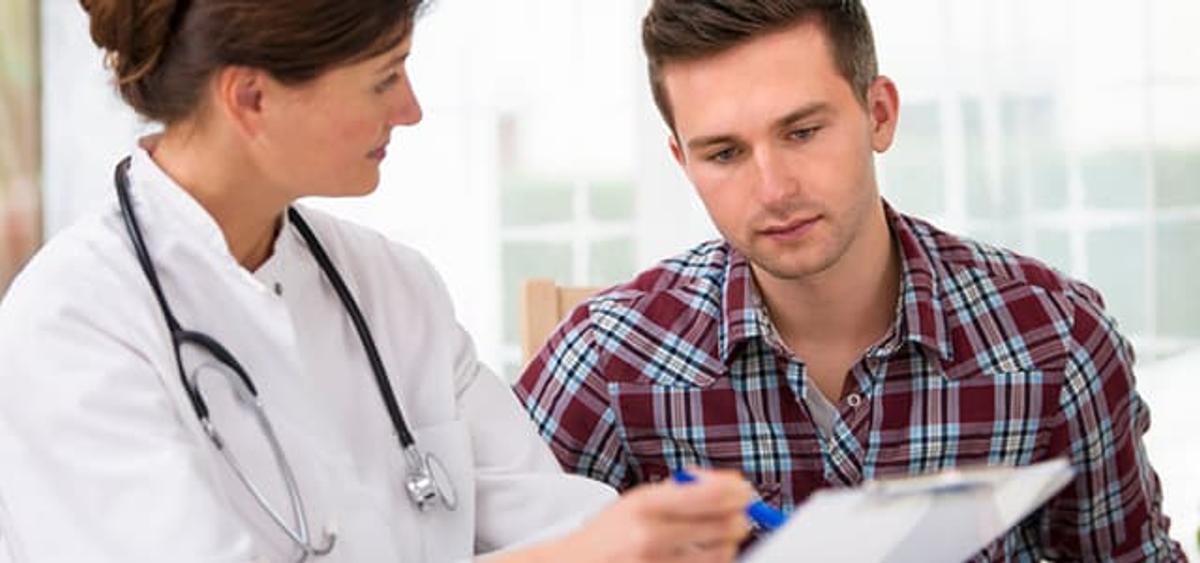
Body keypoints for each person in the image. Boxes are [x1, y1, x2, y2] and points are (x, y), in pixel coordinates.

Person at [0, 1, 756, 561]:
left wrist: (671, 536)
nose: (412, 108)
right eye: (384, 78)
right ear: (251, 99)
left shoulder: (393, 288)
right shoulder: (72, 327)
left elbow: (552, 519)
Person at [514, 0, 1186, 560]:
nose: (773, 190)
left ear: (880, 114)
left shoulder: (1053, 338)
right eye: (724, 153)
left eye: (803, 131)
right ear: (681, 161)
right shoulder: (609, 356)